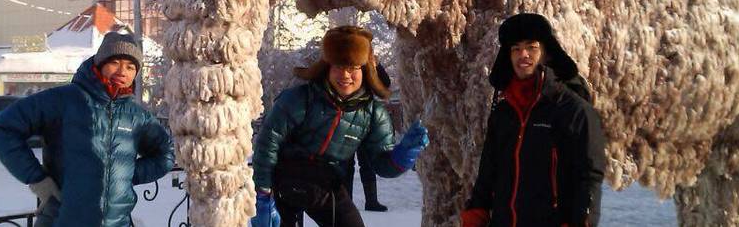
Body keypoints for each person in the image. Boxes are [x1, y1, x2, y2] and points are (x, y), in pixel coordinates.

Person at [0, 31, 174, 227]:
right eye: (115, 63)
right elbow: (4, 129)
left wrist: (126, 174)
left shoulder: (137, 116)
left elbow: (166, 154)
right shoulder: (63, 100)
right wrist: (37, 178)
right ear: (100, 64)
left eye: (130, 67)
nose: (122, 71)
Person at [251, 26, 429, 227]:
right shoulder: (299, 98)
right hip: (284, 180)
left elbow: (381, 163)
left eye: (353, 68)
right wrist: (263, 195)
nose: (345, 75)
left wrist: (403, 155)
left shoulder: (372, 113)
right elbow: (267, 145)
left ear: (365, 69)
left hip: (326, 184)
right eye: (338, 66)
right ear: (327, 67)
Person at [461, 13, 606, 227]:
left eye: (532, 47)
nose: (523, 55)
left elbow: (588, 179)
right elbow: (487, 175)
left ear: (546, 53)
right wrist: (475, 217)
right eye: (516, 49)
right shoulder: (503, 112)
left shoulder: (574, 110)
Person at [342, 62, 391, 212]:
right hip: (346, 118)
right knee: (346, 165)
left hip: (365, 118)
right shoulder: (344, 65)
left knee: (367, 163)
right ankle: (346, 202)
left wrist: (375, 64)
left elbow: (385, 83)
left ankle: (371, 201)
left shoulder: (368, 65)